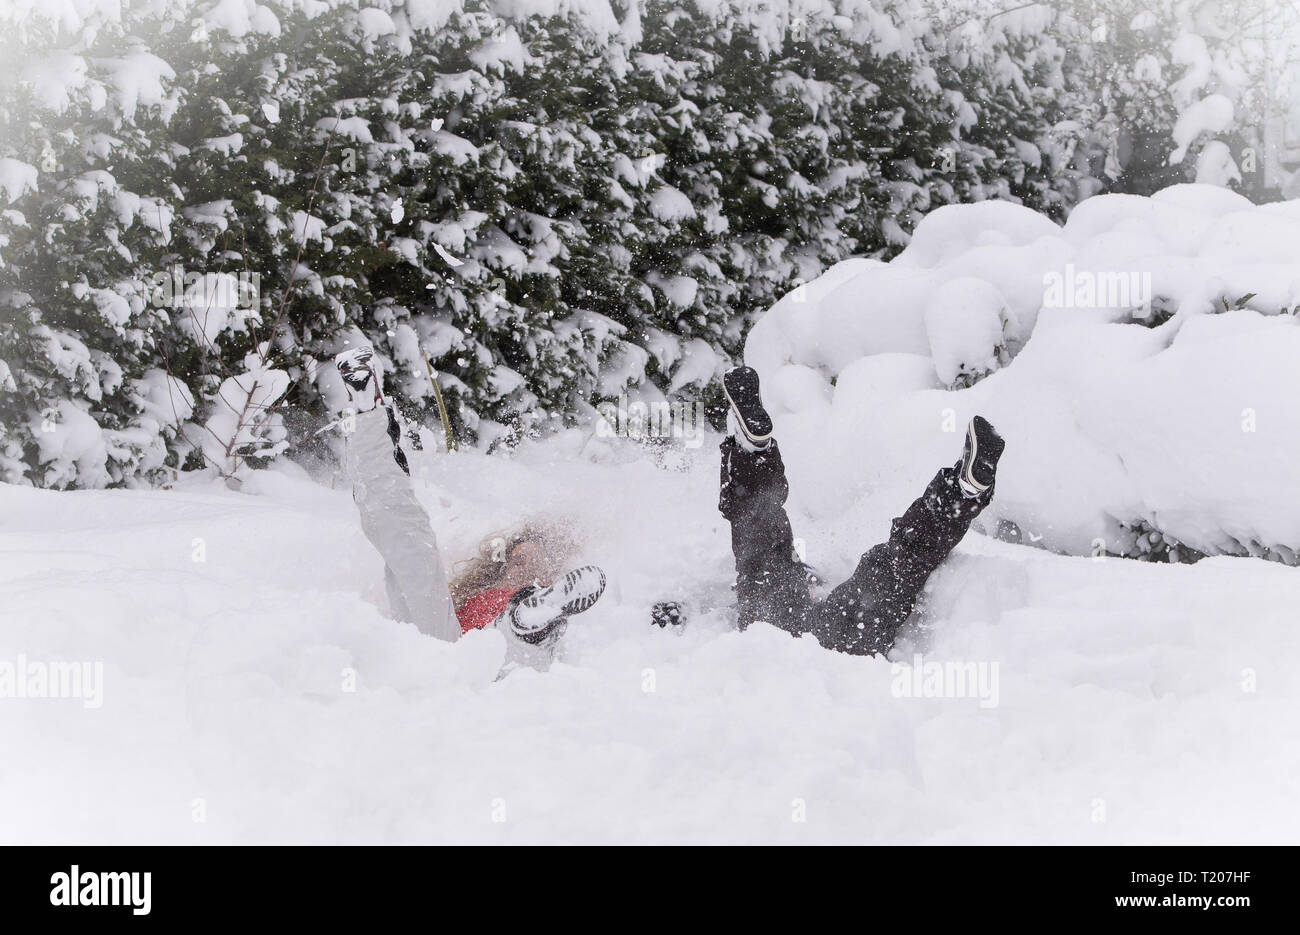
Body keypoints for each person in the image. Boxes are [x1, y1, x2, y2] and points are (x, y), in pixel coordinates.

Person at [332, 345, 606, 670]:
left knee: (521, 650)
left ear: (549, 576)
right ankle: (369, 413)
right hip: (437, 643)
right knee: (409, 550)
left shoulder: (550, 600)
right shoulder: (466, 597)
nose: (520, 567)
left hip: (492, 663)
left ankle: (526, 628)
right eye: (517, 559)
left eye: (532, 565)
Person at [717, 365, 1005, 656]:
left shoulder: (768, 623)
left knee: (762, 549)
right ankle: (962, 491)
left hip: (774, 634)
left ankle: (751, 452)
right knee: (897, 563)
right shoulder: (826, 611)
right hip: (842, 640)